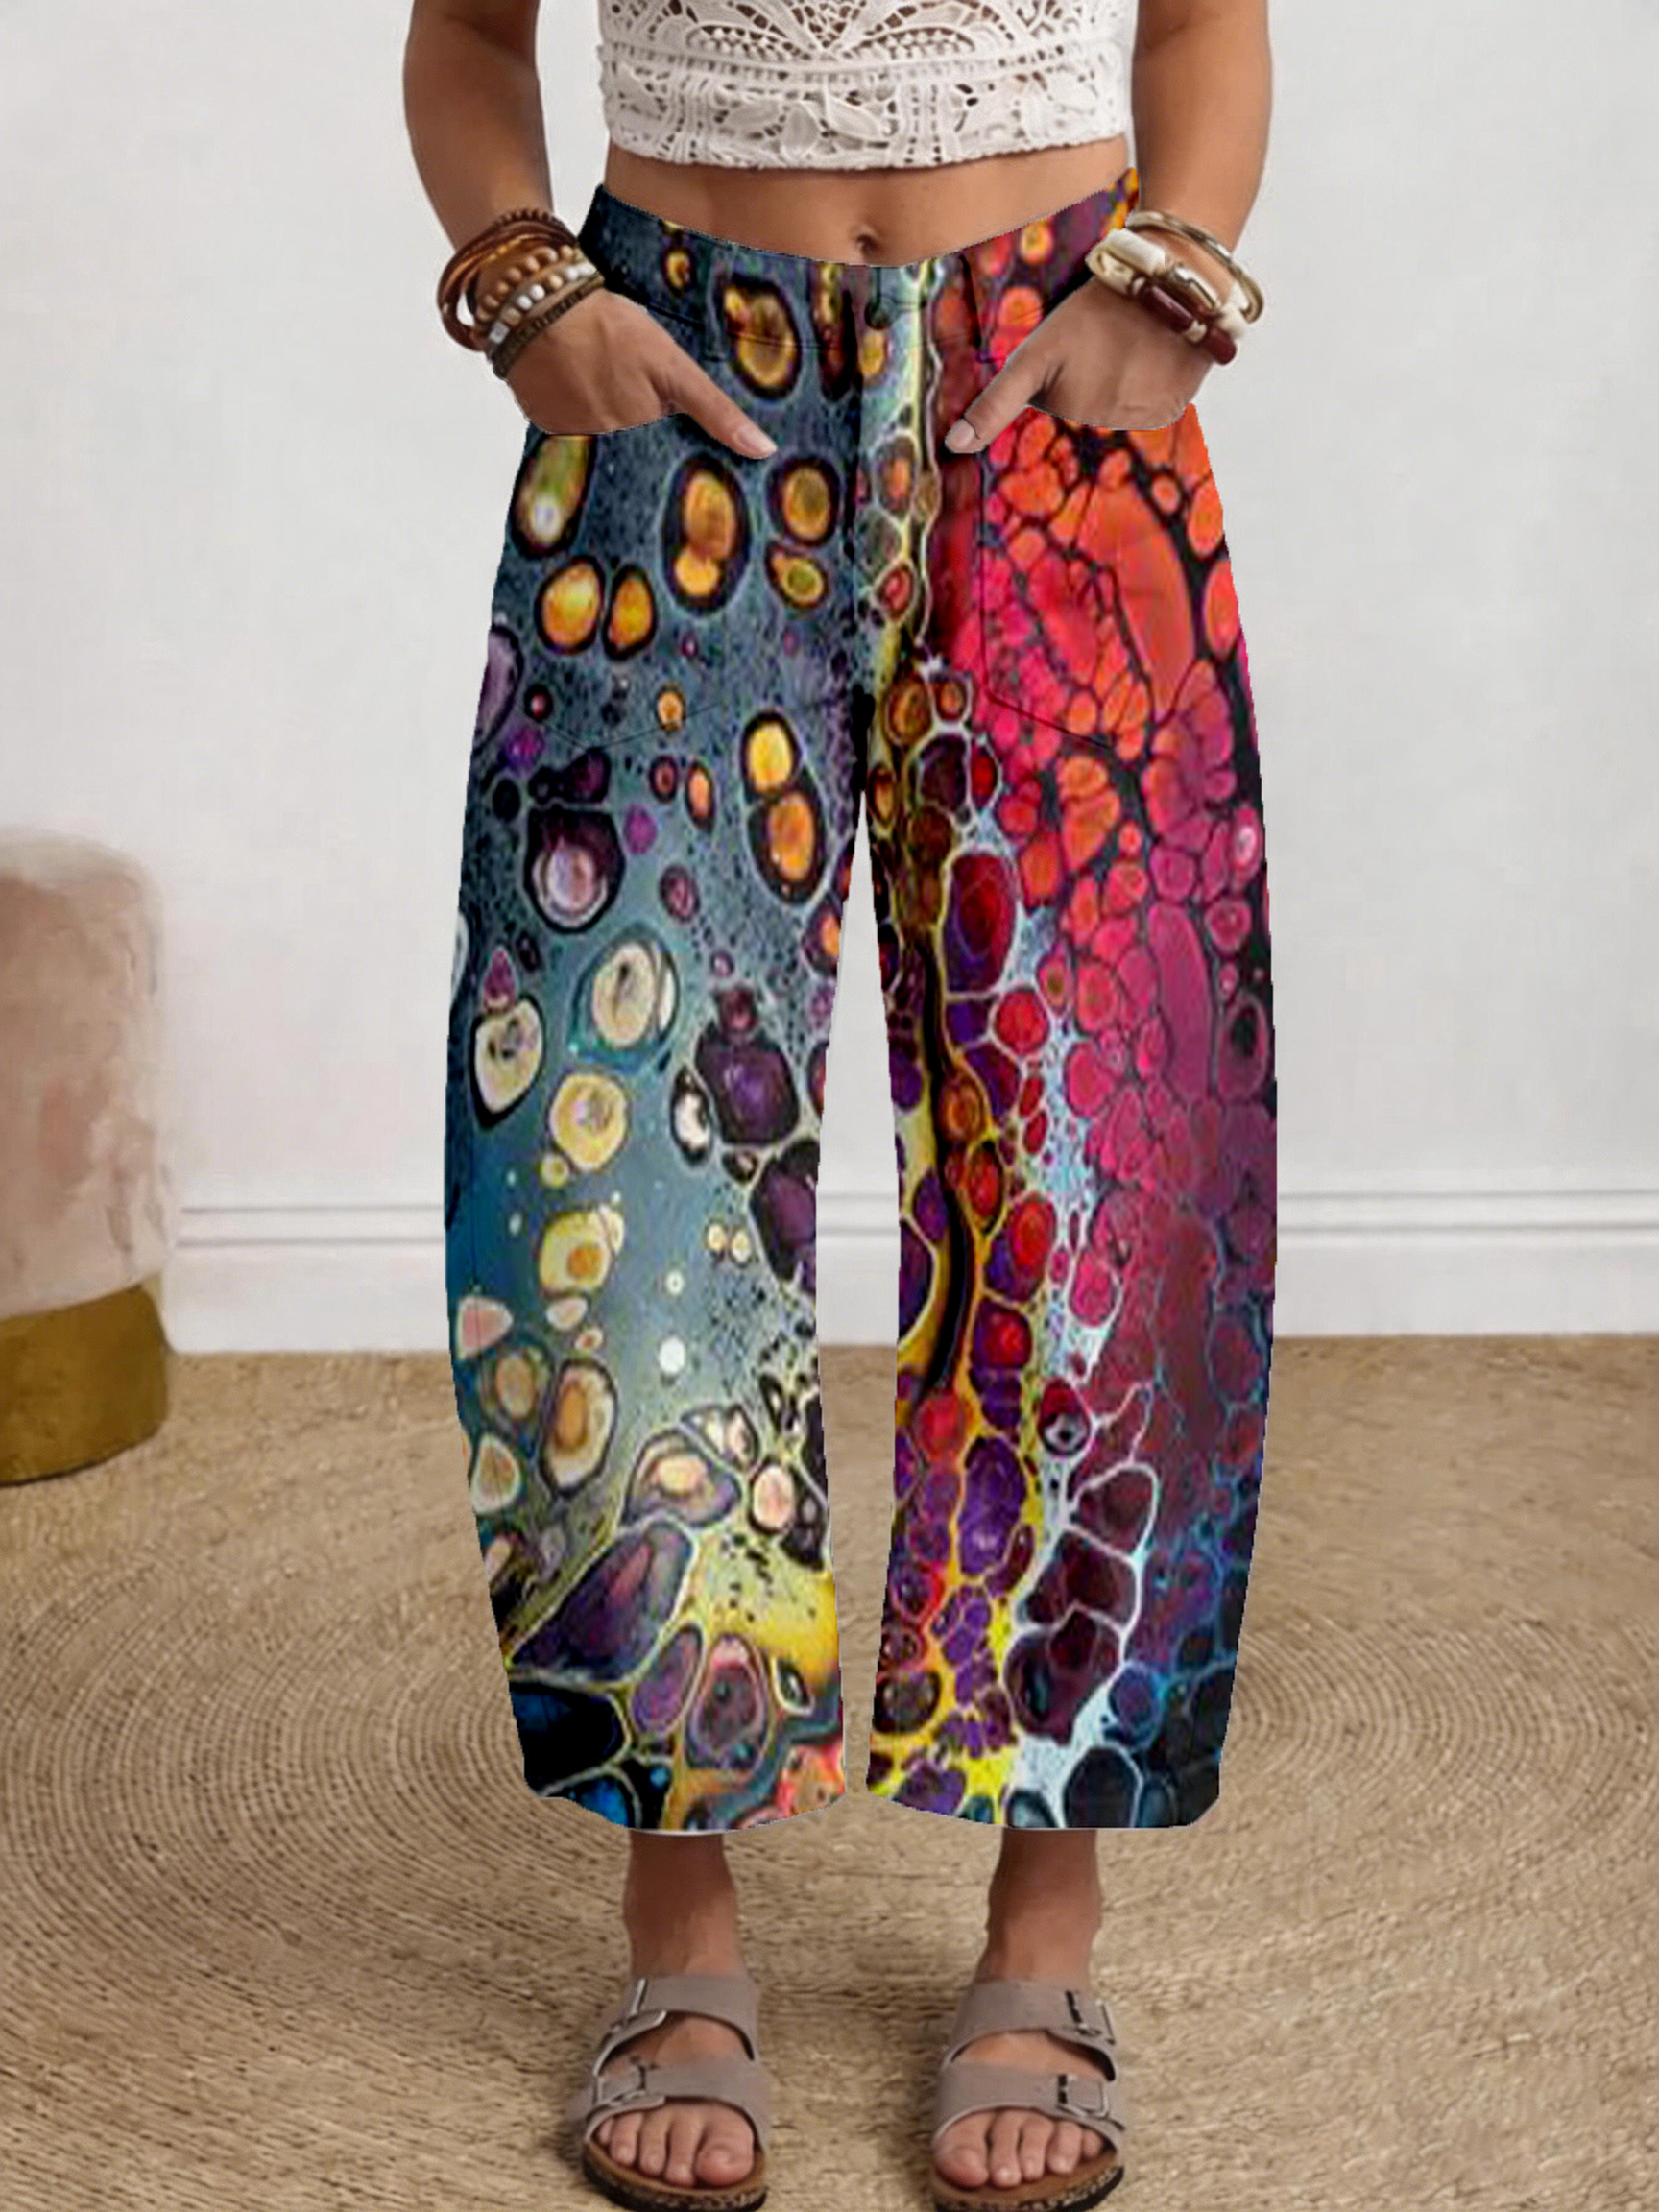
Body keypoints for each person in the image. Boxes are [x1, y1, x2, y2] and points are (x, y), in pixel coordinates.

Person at [405, 0, 1275, 2202]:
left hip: (1056, 379)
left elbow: (1206, 22)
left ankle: (1046, 1928)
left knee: (1097, 1156)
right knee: (620, 1151)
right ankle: (678, 1924)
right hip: (671, 387)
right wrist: (528, 294)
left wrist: (1171, 281)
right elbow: (465, 42)